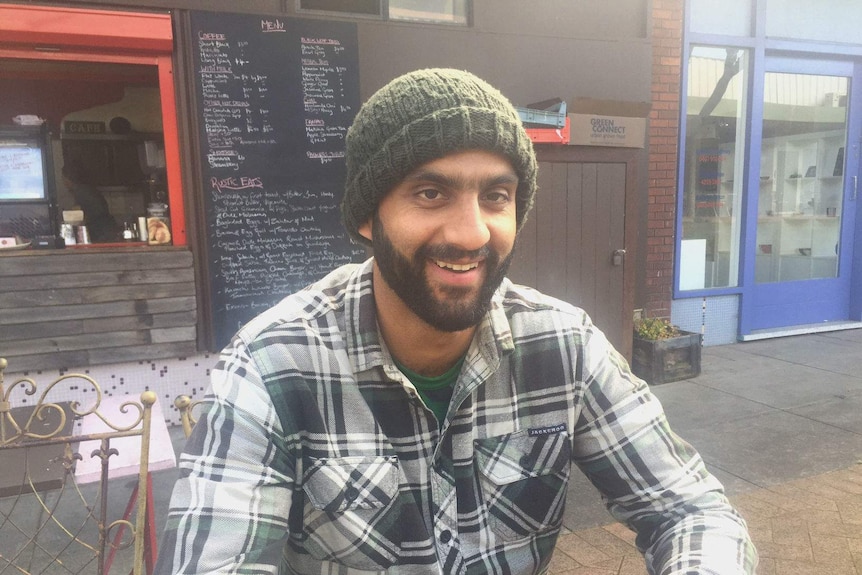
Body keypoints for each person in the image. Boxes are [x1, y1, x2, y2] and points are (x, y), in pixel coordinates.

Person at [155, 69, 757, 574]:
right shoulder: (273, 364)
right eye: (430, 194)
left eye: (496, 197)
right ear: (368, 216)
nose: (471, 233)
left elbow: (690, 511)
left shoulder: (563, 346)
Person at [61, 162, 120, 243]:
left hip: (101, 232)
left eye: (63, 178)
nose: (63, 182)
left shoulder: (81, 192)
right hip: (104, 230)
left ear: (68, 178)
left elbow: (79, 215)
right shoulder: (84, 190)